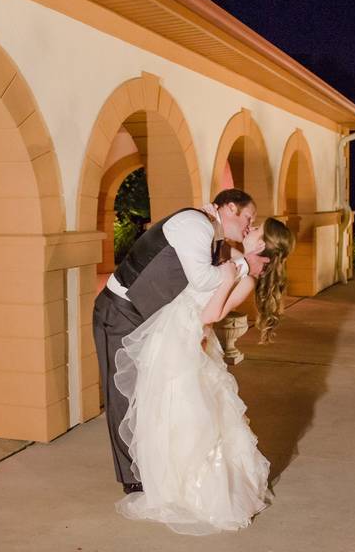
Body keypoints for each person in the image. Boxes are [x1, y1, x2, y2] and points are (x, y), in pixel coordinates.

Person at [112, 217, 295, 534]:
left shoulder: (247, 279)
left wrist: (224, 281)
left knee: (185, 415)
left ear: (263, 245)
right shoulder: (236, 260)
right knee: (166, 413)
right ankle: (170, 485)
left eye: (256, 229)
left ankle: (193, 492)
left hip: (185, 341)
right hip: (176, 334)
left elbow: (210, 316)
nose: (249, 228)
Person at [92, 189, 269, 495]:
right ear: (229, 208)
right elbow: (202, 279)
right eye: (248, 218)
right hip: (120, 312)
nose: (248, 225)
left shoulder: (209, 233)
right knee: (122, 391)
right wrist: (242, 267)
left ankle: (151, 464)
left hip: (150, 320)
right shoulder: (194, 224)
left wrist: (242, 260)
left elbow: (214, 272)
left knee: (149, 394)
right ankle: (132, 478)